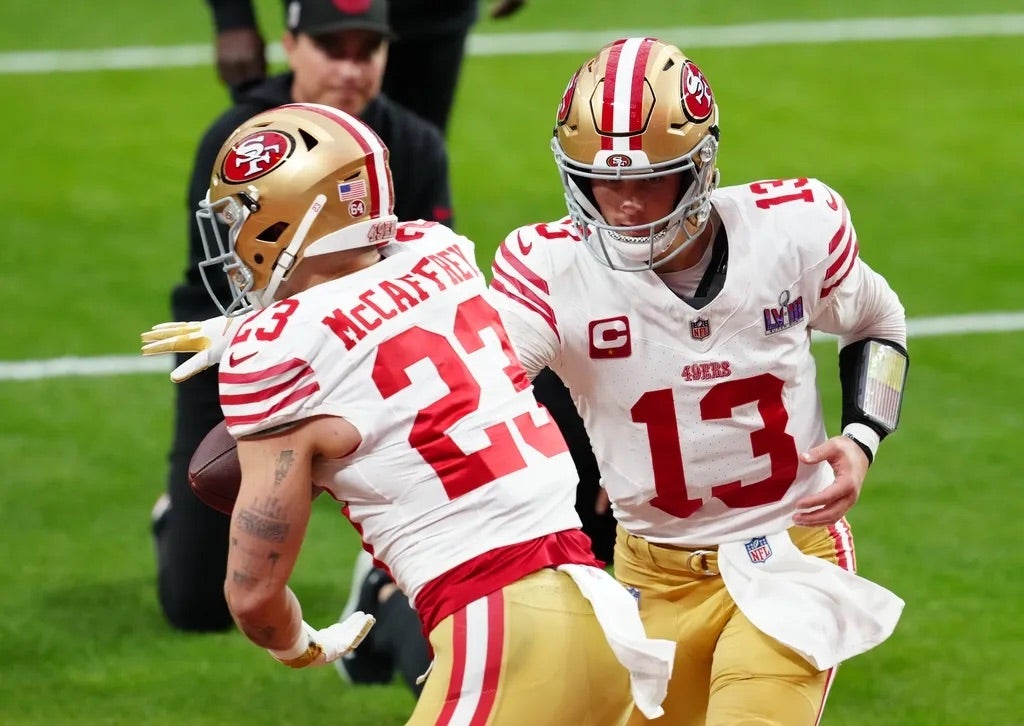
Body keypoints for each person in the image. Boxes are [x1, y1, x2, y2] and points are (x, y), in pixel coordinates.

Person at [146, 102, 674, 723]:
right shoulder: (439, 254)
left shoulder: (276, 354)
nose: (233, 241)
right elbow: (370, 314)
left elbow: (253, 593)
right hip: (597, 608)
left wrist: (301, 645)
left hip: (502, 628)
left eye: (241, 216)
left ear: (293, 216)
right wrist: (242, 329)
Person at [486, 37, 909, 725]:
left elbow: (879, 321)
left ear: (700, 166)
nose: (622, 204)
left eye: (648, 178)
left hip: (787, 556)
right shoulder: (549, 270)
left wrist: (862, 437)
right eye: (602, 179)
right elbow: (484, 391)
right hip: (649, 576)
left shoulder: (792, 233)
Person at [154, 0, 454, 633]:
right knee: (196, 606)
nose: (349, 69)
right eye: (331, 48)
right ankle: (175, 515)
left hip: (368, 361)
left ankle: (384, 570)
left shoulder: (415, 142)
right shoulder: (239, 142)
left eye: (365, 51)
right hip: (238, 352)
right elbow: (219, 284)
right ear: (290, 45)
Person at [206, 0, 529, 133]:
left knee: (414, 159)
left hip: (433, 19)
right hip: (328, 20)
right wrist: (231, 15)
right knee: (309, 161)